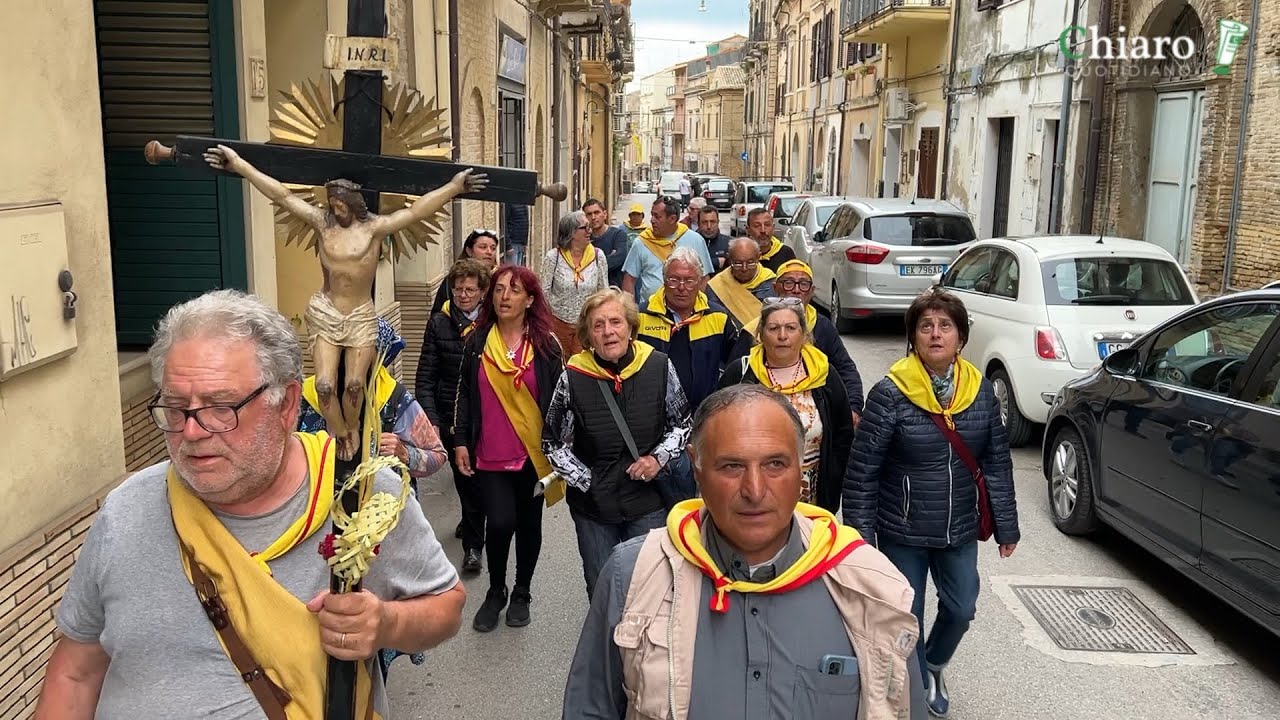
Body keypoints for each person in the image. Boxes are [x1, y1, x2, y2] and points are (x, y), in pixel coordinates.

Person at [36, 289, 464, 719]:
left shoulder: (361, 496)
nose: (191, 432)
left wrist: (386, 624)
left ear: (287, 404)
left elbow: (446, 605)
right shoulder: (125, 511)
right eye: (176, 407)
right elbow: (77, 672)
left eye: (221, 407)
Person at [561, 384, 925, 720]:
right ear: (697, 470)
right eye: (732, 466)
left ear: (802, 470)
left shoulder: (871, 589)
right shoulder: (634, 575)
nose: (754, 489)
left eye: (775, 464)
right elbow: (590, 708)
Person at [843, 288, 1021, 718]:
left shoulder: (979, 391)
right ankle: (918, 682)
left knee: (961, 608)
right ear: (914, 337)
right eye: (926, 326)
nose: (936, 334)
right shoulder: (891, 393)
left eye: (946, 326)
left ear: (960, 337)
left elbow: (996, 460)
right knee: (908, 614)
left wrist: (1007, 525)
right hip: (902, 528)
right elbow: (862, 470)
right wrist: (862, 538)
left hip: (959, 524)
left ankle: (935, 663)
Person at [543, 288, 692, 600]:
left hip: (647, 503)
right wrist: (587, 481)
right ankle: (607, 647)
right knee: (603, 589)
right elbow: (553, 442)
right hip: (594, 509)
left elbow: (682, 425)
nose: (608, 331)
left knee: (649, 588)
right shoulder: (573, 377)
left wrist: (658, 459)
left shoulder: (659, 366)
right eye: (598, 325)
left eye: (615, 322)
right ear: (588, 334)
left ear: (631, 328)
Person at [452, 265, 564, 632]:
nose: (504, 296)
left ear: (530, 299)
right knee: (499, 523)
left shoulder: (546, 345)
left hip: (534, 455)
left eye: (514, 290)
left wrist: (562, 449)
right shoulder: (478, 342)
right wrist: (460, 441)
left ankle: (522, 592)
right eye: (499, 289)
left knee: (529, 525)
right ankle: (496, 590)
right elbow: (465, 394)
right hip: (490, 452)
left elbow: (562, 401)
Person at [718, 298, 854, 513]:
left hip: (813, 491)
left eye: (791, 328)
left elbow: (843, 433)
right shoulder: (741, 373)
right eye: (773, 328)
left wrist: (834, 477)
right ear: (761, 334)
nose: (782, 336)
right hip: (753, 488)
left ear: (803, 334)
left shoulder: (824, 374)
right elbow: (717, 428)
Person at [635, 248, 739, 508]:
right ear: (663, 279)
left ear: (701, 281)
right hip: (655, 427)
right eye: (674, 279)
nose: (681, 287)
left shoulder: (718, 317)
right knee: (667, 498)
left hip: (705, 423)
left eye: (689, 280)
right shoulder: (641, 316)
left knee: (708, 493)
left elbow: (737, 366)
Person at [298, 317, 447, 489]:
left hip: (380, 510)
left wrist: (405, 454)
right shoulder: (305, 397)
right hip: (318, 511)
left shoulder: (394, 399)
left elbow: (437, 455)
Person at [416, 258, 492, 575]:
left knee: (484, 481)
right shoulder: (439, 323)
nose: (462, 295)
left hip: (490, 416)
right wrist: (430, 417)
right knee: (466, 478)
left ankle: (479, 522)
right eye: (458, 289)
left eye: (469, 290)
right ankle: (473, 548)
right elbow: (426, 376)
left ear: (483, 292)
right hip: (452, 416)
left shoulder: (494, 324)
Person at [728, 259, 865, 422]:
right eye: (788, 283)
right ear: (775, 287)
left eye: (803, 284)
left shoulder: (822, 326)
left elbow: (845, 368)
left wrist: (853, 407)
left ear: (812, 291)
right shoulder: (752, 331)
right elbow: (731, 385)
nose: (796, 290)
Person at [621, 195, 715, 306]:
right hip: (650, 313)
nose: (652, 220)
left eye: (657, 216)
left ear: (672, 219)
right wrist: (630, 311)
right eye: (652, 215)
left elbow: (704, 278)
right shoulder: (642, 241)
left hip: (689, 313)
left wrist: (696, 305)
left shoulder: (695, 240)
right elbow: (629, 280)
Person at [544, 210, 610, 356]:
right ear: (571, 232)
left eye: (589, 227)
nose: (589, 231)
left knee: (582, 368)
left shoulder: (599, 257)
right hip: (558, 325)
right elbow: (544, 292)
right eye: (584, 227)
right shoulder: (553, 257)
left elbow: (603, 292)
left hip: (586, 325)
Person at [706, 236, 776, 327]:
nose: (744, 268)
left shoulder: (772, 284)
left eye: (750, 263)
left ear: (758, 257)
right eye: (738, 263)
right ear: (729, 259)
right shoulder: (716, 286)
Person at [432, 229, 501, 314]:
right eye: (483, 247)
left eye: (493, 248)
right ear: (469, 251)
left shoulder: (501, 278)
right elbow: (438, 314)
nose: (489, 252)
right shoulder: (454, 278)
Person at [584, 197, 630, 286]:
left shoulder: (618, 235)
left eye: (596, 213)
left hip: (613, 289)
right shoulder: (584, 238)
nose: (593, 217)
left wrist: (588, 266)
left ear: (605, 214)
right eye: (589, 214)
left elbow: (618, 259)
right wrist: (607, 258)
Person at [745, 207, 797, 273]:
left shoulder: (785, 253)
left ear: (773, 227)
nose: (763, 230)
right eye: (757, 226)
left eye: (767, 225)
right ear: (747, 229)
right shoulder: (740, 254)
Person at [696, 205, 732, 272]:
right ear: (698, 224)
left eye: (712, 222)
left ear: (718, 222)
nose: (709, 226)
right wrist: (716, 262)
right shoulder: (691, 242)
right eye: (704, 222)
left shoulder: (729, 243)